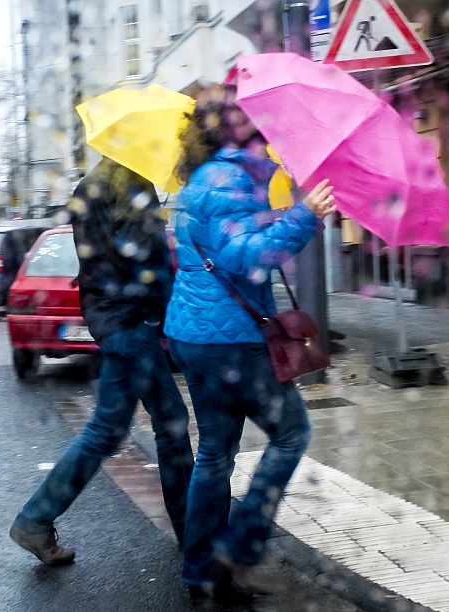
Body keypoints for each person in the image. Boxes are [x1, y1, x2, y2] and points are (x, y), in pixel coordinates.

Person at [163, 84, 336, 597]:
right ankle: (235, 551)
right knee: (290, 435)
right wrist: (304, 215)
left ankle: (199, 571)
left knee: (215, 454)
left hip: (196, 335)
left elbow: (235, 244)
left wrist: (289, 212)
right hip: (229, 341)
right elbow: (245, 256)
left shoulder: (204, 178)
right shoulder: (227, 180)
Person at [9, 156, 195, 565]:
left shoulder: (89, 187)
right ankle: (193, 534)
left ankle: (35, 521)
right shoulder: (132, 187)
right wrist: (162, 312)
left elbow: (99, 257)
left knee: (108, 429)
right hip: (130, 322)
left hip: (109, 318)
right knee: (171, 424)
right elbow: (147, 263)